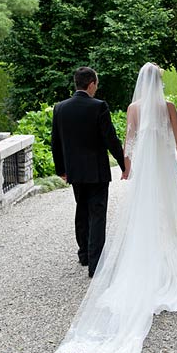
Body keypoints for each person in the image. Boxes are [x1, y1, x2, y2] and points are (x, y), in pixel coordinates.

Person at [55, 62, 177, 353]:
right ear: (158, 82)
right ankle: (167, 267)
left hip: (145, 170)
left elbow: (128, 141)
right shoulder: (169, 105)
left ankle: (105, 257)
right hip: (163, 169)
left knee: (136, 214)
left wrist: (128, 166)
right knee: (168, 212)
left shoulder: (132, 107)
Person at [51, 66, 126, 278]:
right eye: (96, 84)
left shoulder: (60, 108)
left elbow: (55, 142)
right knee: (97, 215)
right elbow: (110, 139)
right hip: (96, 171)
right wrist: (124, 164)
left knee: (81, 210)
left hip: (75, 171)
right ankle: (96, 265)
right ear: (91, 83)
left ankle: (84, 254)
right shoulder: (99, 106)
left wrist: (61, 169)